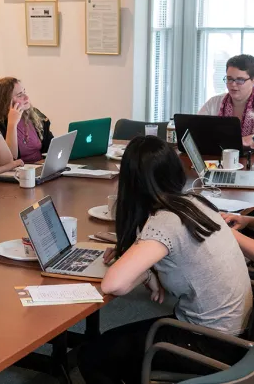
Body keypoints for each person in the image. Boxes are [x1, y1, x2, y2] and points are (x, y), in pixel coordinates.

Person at [78, 136, 252, 384]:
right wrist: (146, 268)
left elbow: (113, 285)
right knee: (117, 346)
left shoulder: (165, 221)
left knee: (93, 356)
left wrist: (144, 270)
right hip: (238, 334)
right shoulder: (196, 203)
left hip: (212, 343)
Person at [0, 77, 53, 163]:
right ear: (5, 101)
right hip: (20, 173)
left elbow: (51, 147)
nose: (27, 97)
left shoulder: (35, 115)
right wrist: (12, 124)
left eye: (24, 92)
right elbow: (11, 160)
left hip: (41, 168)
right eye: (20, 95)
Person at [198, 54, 254, 147]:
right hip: (217, 157)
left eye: (240, 80)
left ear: (252, 81)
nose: (233, 84)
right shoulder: (214, 103)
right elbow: (196, 129)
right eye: (229, 79)